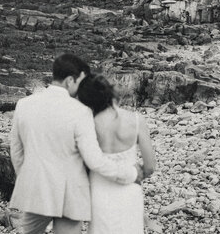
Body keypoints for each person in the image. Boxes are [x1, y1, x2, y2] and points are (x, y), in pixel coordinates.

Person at [9, 54, 141, 234]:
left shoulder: (23, 105)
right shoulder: (81, 111)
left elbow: (16, 152)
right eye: (81, 82)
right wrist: (130, 173)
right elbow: (94, 160)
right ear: (70, 80)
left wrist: (28, 180)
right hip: (69, 195)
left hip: (36, 190)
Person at [77, 74, 157, 234]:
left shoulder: (89, 124)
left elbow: (84, 165)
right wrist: (136, 174)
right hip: (130, 192)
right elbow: (150, 166)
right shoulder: (136, 120)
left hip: (99, 193)